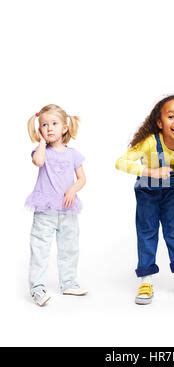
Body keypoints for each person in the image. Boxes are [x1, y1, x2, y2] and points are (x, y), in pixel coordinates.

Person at [116, 95, 174, 304]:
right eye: (170, 116)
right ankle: (145, 280)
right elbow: (120, 162)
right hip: (147, 194)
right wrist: (150, 171)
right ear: (159, 122)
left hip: (173, 194)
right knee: (147, 233)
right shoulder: (150, 142)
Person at [26, 104, 88, 306]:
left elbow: (81, 179)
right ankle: (37, 288)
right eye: (44, 125)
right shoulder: (41, 151)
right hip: (45, 209)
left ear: (64, 128)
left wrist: (72, 189)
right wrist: (42, 142)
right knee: (40, 248)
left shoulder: (73, 154)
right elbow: (38, 161)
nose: (49, 128)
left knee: (69, 248)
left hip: (68, 210)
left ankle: (68, 282)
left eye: (54, 124)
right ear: (40, 130)